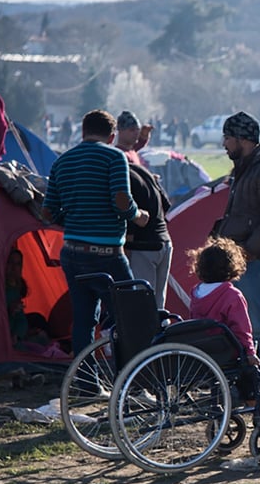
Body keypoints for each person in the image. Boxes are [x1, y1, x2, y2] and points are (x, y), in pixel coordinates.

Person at [42, 109, 149, 355]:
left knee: (84, 320)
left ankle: (85, 382)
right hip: (107, 254)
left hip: (71, 252)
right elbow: (121, 200)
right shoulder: (114, 157)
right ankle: (134, 378)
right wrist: (138, 216)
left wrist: (72, 219)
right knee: (129, 316)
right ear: (112, 137)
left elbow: (47, 214)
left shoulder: (62, 161)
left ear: (82, 132)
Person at [188, 237, 260, 428]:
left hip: (206, 352)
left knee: (247, 380)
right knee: (257, 379)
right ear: (231, 267)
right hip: (229, 352)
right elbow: (242, 330)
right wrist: (250, 353)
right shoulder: (231, 295)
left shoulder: (197, 293)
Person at [214, 111, 260, 382]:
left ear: (241, 139)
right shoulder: (247, 166)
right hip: (244, 258)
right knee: (243, 326)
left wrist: (246, 252)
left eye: (227, 138)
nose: (224, 144)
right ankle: (251, 385)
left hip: (257, 260)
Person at [124, 163, 173, 309]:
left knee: (143, 303)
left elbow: (130, 219)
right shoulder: (145, 172)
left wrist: (126, 252)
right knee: (159, 303)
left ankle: (146, 331)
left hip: (142, 246)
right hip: (165, 241)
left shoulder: (123, 178)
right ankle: (161, 329)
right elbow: (166, 205)